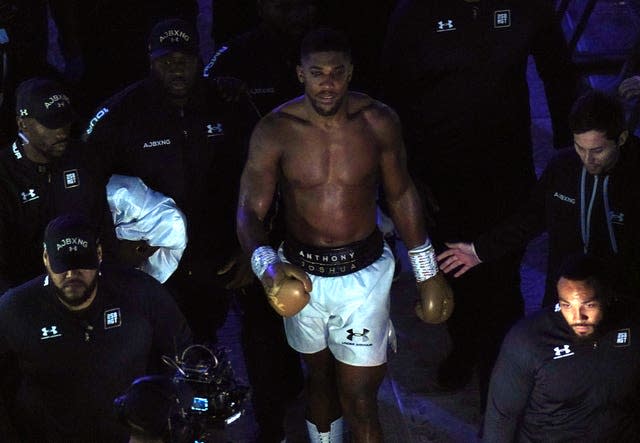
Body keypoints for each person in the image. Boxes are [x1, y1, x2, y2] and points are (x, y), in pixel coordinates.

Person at [236, 28, 453, 443]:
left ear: (351, 72)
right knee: (317, 379)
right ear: (300, 74)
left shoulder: (378, 121)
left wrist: (427, 270)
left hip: (364, 277)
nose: (328, 83)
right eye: (317, 73)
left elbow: (401, 192)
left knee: (360, 397)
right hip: (301, 273)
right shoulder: (274, 130)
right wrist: (267, 267)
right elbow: (248, 210)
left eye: (337, 72)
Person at [380, 0, 580, 400]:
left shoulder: (526, 8)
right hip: (438, 176)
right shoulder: (413, 13)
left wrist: (570, 153)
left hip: (506, 170)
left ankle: (501, 371)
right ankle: (466, 345)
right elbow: (389, 92)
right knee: (452, 269)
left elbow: (558, 72)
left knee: (503, 277)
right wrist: (403, 174)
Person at [83, 18, 259, 343]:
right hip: (151, 258)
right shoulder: (120, 116)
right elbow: (85, 190)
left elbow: (262, 177)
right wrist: (110, 247)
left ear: (199, 60)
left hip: (217, 260)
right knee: (150, 355)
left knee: (206, 347)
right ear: (151, 61)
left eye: (185, 60)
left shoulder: (228, 104)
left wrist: (253, 247)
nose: (177, 69)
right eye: (166, 61)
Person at [0, 213, 192, 442]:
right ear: (45, 258)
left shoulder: (140, 293)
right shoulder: (16, 309)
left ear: (99, 255)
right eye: (62, 265)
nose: (72, 275)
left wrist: (159, 424)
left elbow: (184, 353)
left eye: (81, 264)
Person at [439, 90, 640, 308]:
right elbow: (532, 217)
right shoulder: (563, 166)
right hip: (565, 295)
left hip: (625, 299)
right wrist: (480, 251)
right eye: (580, 148)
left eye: (597, 150)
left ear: (621, 138)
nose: (587, 159)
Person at [483, 253, 640, 442]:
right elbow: (502, 416)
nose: (577, 317)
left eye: (588, 305)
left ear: (607, 297)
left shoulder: (632, 324)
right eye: (566, 305)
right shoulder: (529, 339)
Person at [0, 77, 111, 294]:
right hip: (27, 293)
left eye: (65, 121)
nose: (61, 131)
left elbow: (102, 225)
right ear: (23, 124)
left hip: (88, 286)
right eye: (50, 124)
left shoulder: (83, 157)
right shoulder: (4, 175)